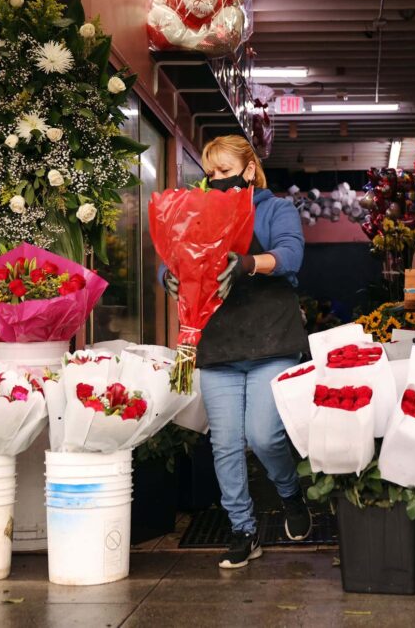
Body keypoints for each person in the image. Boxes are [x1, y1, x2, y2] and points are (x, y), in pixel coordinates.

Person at [161, 135, 311, 569]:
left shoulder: (275, 208)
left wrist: (247, 263)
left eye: (225, 171)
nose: (216, 180)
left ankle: (289, 494)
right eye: (211, 174)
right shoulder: (198, 211)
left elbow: (291, 255)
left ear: (248, 170)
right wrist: (167, 276)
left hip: (271, 339)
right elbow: (174, 253)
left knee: (264, 436)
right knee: (225, 444)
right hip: (219, 340)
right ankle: (242, 530)